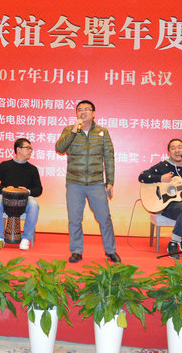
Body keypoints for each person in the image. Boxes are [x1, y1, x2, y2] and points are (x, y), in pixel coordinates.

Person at [55, 100, 120, 263]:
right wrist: (73, 132)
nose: (83, 112)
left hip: (96, 183)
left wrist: (110, 181)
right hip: (74, 183)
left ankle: (110, 251)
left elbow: (109, 158)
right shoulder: (69, 130)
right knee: (74, 219)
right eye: (79, 110)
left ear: (93, 113)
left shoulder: (102, 132)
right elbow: (60, 148)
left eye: (86, 109)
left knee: (104, 218)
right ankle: (76, 251)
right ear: (76, 113)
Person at [0, 138, 42, 250]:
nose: (30, 150)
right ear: (18, 149)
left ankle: (26, 239)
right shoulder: (5, 165)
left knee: (34, 205)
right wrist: (4, 189)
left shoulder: (32, 169)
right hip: (5, 197)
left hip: (25, 199)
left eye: (31, 148)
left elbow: (39, 189)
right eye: (28, 148)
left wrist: (28, 191)